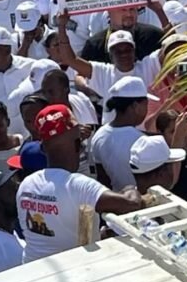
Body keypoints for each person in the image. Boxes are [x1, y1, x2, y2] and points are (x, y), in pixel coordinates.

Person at [16, 105, 141, 263]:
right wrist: (130, 188)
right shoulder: (79, 186)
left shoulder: (25, 185)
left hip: (32, 273)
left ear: (42, 147)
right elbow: (131, 204)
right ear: (78, 145)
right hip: (74, 275)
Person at [88, 76, 155, 191]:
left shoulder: (98, 136)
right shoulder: (143, 141)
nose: (147, 109)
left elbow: (102, 180)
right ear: (135, 106)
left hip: (117, 203)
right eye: (145, 104)